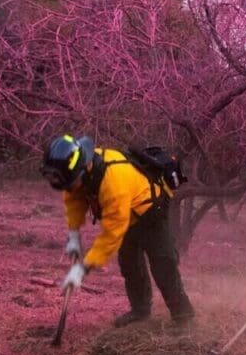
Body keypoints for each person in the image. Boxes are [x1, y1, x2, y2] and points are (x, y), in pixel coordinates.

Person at [41, 134, 195, 328]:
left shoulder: (113, 183)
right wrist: (73, 233)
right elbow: (74, 199)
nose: (69, 188)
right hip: (127, 214)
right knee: (130, 264)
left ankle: (183, 317)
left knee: (163, 264)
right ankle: (140, 311)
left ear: (82, 170)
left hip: (151, 211)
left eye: (71, 183)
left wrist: (83, 269)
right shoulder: (82, 169)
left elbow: (112, 235)